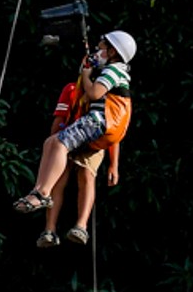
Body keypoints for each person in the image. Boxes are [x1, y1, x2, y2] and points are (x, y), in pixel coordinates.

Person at [14, 31, 134, 220]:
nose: (97, 52)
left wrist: (86, 75)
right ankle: (38, 189)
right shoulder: (109, 71)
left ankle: (44, 192)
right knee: (50, 142)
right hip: (98, 121)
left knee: (61, 145)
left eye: (101, 48)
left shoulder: (114, 70)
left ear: (113, 52)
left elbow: (94, 93)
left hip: (99, 121)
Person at [35, 73, 120, 249]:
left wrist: (114, 164)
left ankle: (81, 226)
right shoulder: (72, 89)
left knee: (87, 175)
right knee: (58, 178)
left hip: (93, 142)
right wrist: (52, 148)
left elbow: (114, 130)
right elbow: (59, 118)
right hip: (68, 138)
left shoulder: (109, 93)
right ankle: (49, 230)